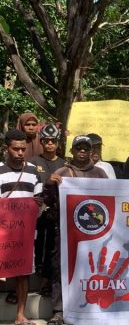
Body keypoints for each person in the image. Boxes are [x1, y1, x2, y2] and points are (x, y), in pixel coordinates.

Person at [44, 135, 108, 325]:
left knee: (93, 269)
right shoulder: (62, 172)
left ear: (91, 151)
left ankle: (93, 307)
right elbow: (47, 201)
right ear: (71, 151)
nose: (82, 151)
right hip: (66, 232)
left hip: (95, 233)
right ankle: (58, 311)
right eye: (78, 148)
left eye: (85, 148)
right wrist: (49, 184)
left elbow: (110, 199)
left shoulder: (100, 174)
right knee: (61, 268)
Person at [0, 129, 43, 325]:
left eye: (23, 149)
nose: (20, 153)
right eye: (15, 149)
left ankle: (21, 315)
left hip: (25, 234)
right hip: (3, 232)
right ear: (6, 148)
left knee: (23, 271)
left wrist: (38, 204)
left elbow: (39, 202)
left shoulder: (33, 172)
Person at [30, 124, 65, 296]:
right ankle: (36, 277)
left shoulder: (64, 164)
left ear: (58, 143)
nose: (50, 143)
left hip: (58, 213)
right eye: (46, 140)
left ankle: (46, 281)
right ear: (41, 142)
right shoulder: (33, 162)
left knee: (53, 248)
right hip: (37, 212)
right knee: (38, 245)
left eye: (53, 141)